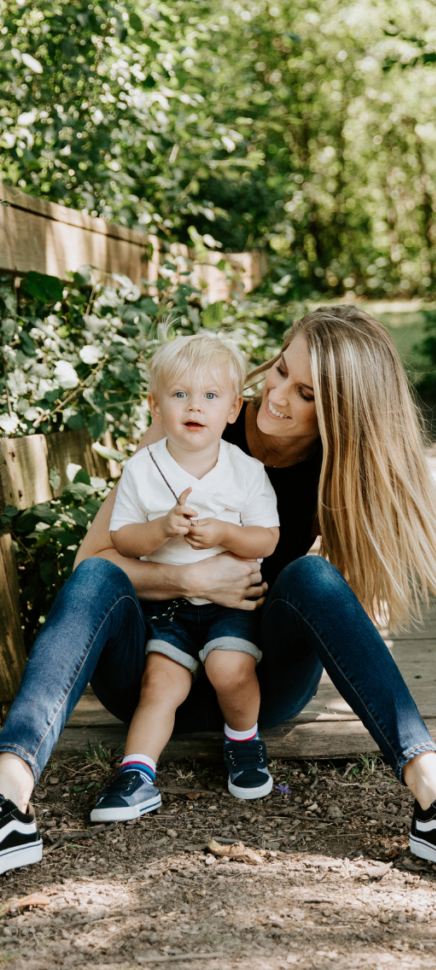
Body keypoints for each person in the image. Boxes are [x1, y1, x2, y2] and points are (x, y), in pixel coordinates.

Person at [0, 306, 436, 887]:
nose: (276, 396)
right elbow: (90, 563)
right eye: (279, 369)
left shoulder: (337, 470)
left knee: (313, 577)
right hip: (148, 668)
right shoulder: (201, 415)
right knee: (98, 581)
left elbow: (334, 608)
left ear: (340, 414)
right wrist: (189, 580)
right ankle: (8, 797)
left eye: (305, 393)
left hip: (255, 678)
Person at [91, 333, 280, 823]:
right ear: (155, 405)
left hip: (232, 604)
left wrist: (224, 533)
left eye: (210, 396)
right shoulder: (141, 469)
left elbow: (267, 541)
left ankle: (243, 744)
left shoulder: (248, 472)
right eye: (179, 395)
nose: (194, 406)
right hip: (167, 607)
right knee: (160, 683)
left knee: (229, 669)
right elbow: (122, 539)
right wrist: (159, 530)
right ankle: (137, 774)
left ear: (234, 408)